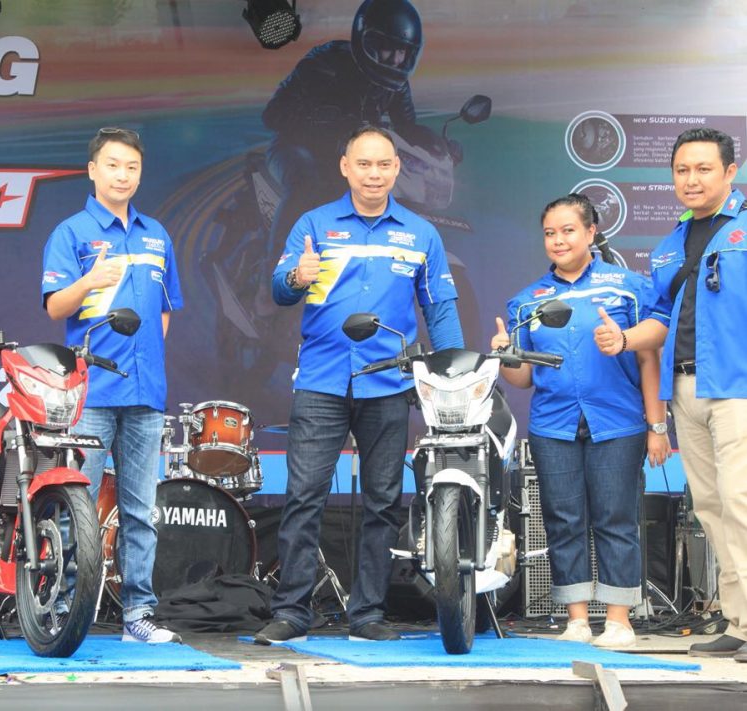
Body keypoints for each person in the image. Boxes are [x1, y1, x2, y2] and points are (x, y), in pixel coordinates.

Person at [255, 124, 464, 644]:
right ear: (345, 167)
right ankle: (292, 612)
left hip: (388, 382)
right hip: (322, 380)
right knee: (304, 495)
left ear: (397, 169)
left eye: (384, 164)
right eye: (364, 164)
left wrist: (454, 372)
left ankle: (367, 613)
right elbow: (279, 290)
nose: (374, 174)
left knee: (383, 500)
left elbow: (439, 308)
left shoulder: (420, 233)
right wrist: (297, 277)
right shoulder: (314, 224)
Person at [592, 127, 747, 659]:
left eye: (704, 169)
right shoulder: (669, 246)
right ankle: (739, 622)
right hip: (685, 387)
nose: (691, 179)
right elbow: (660, 318)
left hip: (737, 386)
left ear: (730, 172)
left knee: (741, 500)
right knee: (711, 506)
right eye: (682, 170)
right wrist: (623, 339)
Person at [492, 193, 670, 649]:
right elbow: (523, 378)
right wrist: (506, 355)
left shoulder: (629, 287)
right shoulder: (526, 302)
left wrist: (657, 427)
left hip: (619, 422)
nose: (558, 240)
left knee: (616, 518)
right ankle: (576, 620)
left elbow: (649, 356)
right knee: (563, 520)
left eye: (569, 230)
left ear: (591, 232)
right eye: (550, 233)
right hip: (553, 426)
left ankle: (618, 620)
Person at [42, 127, 184, 644]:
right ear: (93, 170)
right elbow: (55, 307)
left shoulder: (156, 234)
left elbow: (165, 310)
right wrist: (87, 283)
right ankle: (60, 607)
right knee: (74, 508)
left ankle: (137, 615)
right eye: (113, 165)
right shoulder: (71, 233)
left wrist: (144, 358)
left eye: (132, 167)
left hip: (146, 394)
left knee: (140, 510)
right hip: (92, 394)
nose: (123, 175)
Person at [263, 0, 428, 249]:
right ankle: (278, 262)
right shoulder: (324, 63)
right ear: (368, 42)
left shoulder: (396, 85)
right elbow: (273, 114)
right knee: (305, 184)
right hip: (296, 149)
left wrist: (438, 144)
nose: (395, 59)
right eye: (388, 48)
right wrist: (322, 124)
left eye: (402, 51)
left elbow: (408, 127)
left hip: (347, 158)